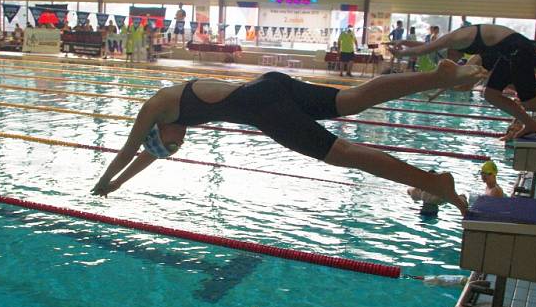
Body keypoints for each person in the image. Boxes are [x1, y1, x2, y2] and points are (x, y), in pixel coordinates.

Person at [91, 60, 489, 214]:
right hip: (271, 86)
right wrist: (121, 186)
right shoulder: (172, 119)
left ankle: (432, 182)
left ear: (158, 132)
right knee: (354, 99)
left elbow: (130, 150)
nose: (181, 144)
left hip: (264, 107)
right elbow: (147, 156)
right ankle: (438, 77)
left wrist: (105, 180)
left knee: (345, 152)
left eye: (174, 144)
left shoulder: (155, 107)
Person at [391, 24, 536, 139]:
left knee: (530, 99)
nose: (453, 60)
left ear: (450, 51)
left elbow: (423, 49)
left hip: (514, 49)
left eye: (450, 58)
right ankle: (531, 122)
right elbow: (426, 45)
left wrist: (402, 53)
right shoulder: (456, 40)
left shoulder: (456, 40)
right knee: (491, 94)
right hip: (508, 53)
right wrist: (402, 43)